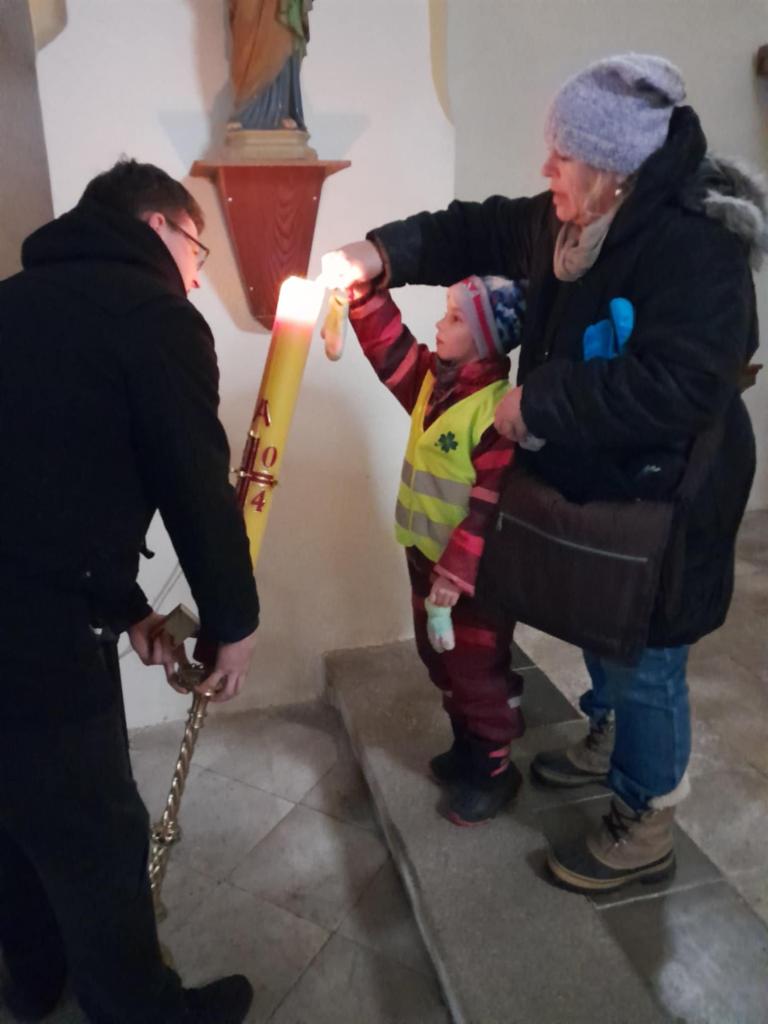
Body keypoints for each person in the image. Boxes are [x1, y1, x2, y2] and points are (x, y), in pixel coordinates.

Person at [322, 53, 763, 894]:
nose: (545, 168)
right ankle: (609, 737)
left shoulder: (695, 245)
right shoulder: (570, 223)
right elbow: (471, 230)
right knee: (600, 628)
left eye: (562, 156)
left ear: (610, 169)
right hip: (598, 484)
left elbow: (684, 383)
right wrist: (377, 255)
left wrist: (542, 403)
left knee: (645, 659)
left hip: (670, 498)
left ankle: (646, 818)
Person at [0, 160, 260, 1023]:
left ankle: (34, 978)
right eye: (198, 250)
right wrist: (233, 622)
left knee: (12, 818)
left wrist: (130, 609)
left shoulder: (11, 303)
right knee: (96, 837)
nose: (198, 276)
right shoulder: (156, 318)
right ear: (159, 227)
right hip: (35, 641)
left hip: (30, 606)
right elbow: (195, 487)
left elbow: (41, 491)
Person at [345, 274, 527, 825]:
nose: (439, 325)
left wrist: (456, 571)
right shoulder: (434, 382)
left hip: (470, 577)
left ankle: (493, 767)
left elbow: (489, 502)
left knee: (475, 665)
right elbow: (390, 350)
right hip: (424, 556)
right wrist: (362, 295)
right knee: (438, 656)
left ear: (485, 339)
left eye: (454, 318)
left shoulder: (496, 413)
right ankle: (467, 744)